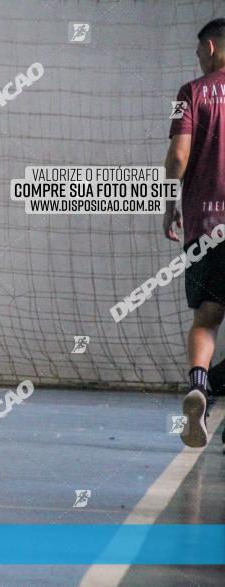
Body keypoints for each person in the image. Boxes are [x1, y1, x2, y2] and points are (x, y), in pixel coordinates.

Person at [163, 18, 225, 448]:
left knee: (207, 314)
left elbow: (178, 155)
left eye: (197, 52)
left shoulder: (189, 93)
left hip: (205, 225)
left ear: (209, 47)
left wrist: (169, 203)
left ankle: (200, 386)